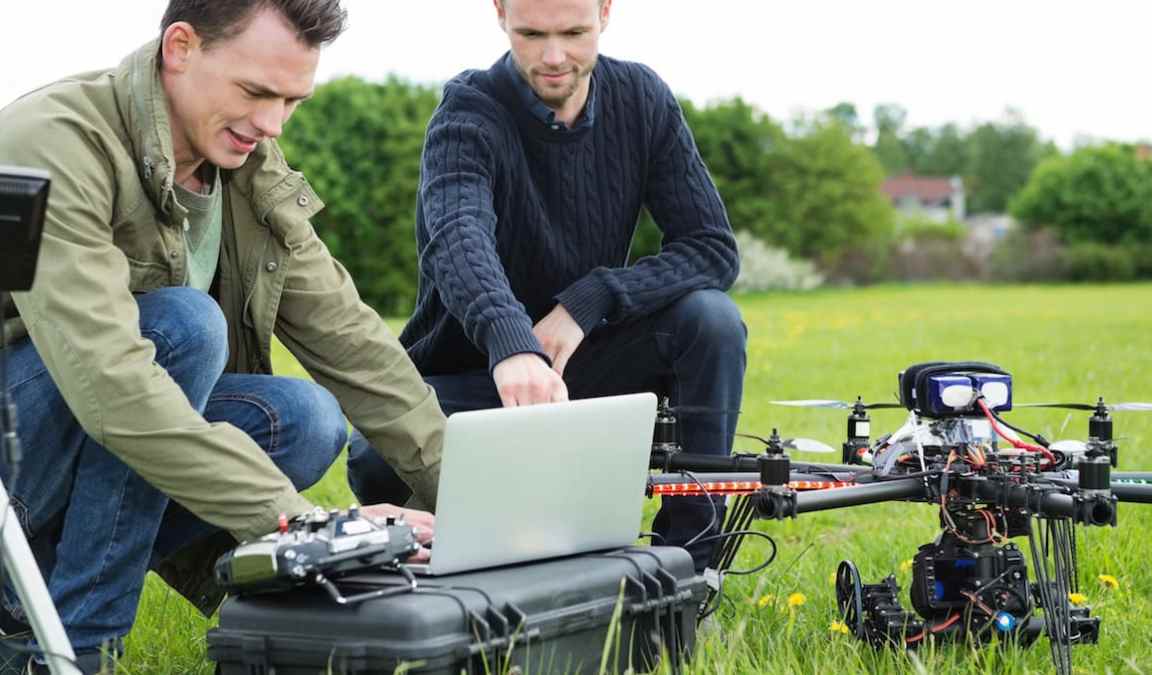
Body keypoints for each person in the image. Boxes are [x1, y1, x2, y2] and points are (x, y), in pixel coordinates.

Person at [0, 1, 444, 671]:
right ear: (179, 47)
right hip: (19, 451)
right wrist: (309, 525)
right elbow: (115, 388)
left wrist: (469, 497)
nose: (271, 123)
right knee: (183, 327)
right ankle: (73, 650)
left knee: (304, 419)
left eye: (291, 100)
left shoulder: (244, 160)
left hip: (90, 431)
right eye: (256, 92)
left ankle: (27, 597)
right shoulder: (58, 141)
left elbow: (350, 336)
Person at [346, 0, 745, 573]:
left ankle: (689, 570)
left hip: (589, 369)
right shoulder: (468, 111)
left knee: (711, 319)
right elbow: (458, 236)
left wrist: (591, 300)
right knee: (372, 458)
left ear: (606, 12)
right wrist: (510, 343)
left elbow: (711, 247)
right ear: (500, 12)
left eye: (574, 32)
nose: (554, 57)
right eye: (531, 33)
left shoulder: (642, 98)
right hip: (472, 377)